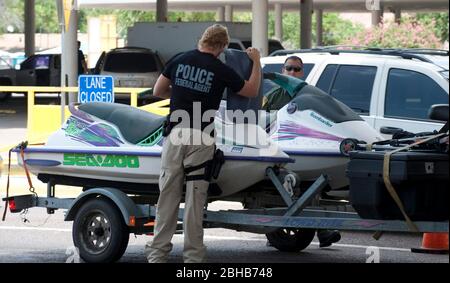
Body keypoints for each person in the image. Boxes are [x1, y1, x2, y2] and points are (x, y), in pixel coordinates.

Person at [145, 24, 261, 263]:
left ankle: (157, 256)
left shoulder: (179, 59)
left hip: (176, 134)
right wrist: (256, 61)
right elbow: (251, 90)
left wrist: (180, 92)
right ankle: (193, 259)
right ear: (221, 47)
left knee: (167, 197)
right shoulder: (221, 69)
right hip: (201, 137)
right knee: (195, 202)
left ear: (203, 40)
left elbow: (158, 90)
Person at [263, 55, 342, 248]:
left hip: (303, 148)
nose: (292, 72)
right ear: (283, 71)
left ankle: (322, 233)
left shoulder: (310, 96)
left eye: (296, 69)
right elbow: (262, 123)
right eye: (289, 68)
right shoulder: (272, 96)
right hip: (280, 149)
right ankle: (319, 233)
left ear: (302, 72)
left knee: (313, 188)